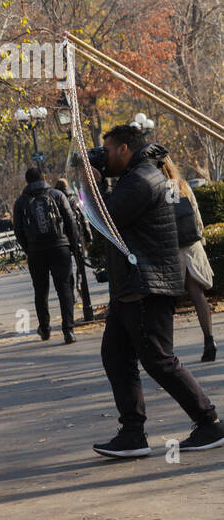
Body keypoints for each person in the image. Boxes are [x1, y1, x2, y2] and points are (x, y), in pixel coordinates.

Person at [88, 125, 223, 457]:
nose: (103, 157)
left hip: (148, 285)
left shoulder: (142, 179)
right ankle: (132, 433)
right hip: (132, 287)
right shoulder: (137, 178)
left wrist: (93, 179)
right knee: (116, 356)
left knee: (159, 360)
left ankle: (209, 423)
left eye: (106, 151)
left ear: (123, 149)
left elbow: (107, 216)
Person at [13, 167, 80, 344]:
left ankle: (45, 328)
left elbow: (18, 230)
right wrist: (73, 245)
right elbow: (70, 220)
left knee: (40, 291)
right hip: (60, 247)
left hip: (36, 251)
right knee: (64, 288)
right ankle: (68, 330)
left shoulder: (21, 202)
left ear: (27, 182)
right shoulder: (57, 195)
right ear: (43, 177)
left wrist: (29, 248)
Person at [162, 157, 216, 362]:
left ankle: (166, 349)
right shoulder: (182, 186)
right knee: (197, 293)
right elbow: (196, 215)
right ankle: (209, 339)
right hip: (191, 246)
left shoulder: (158, 189)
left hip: (173, 249)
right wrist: (200, 241)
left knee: (167, 301)